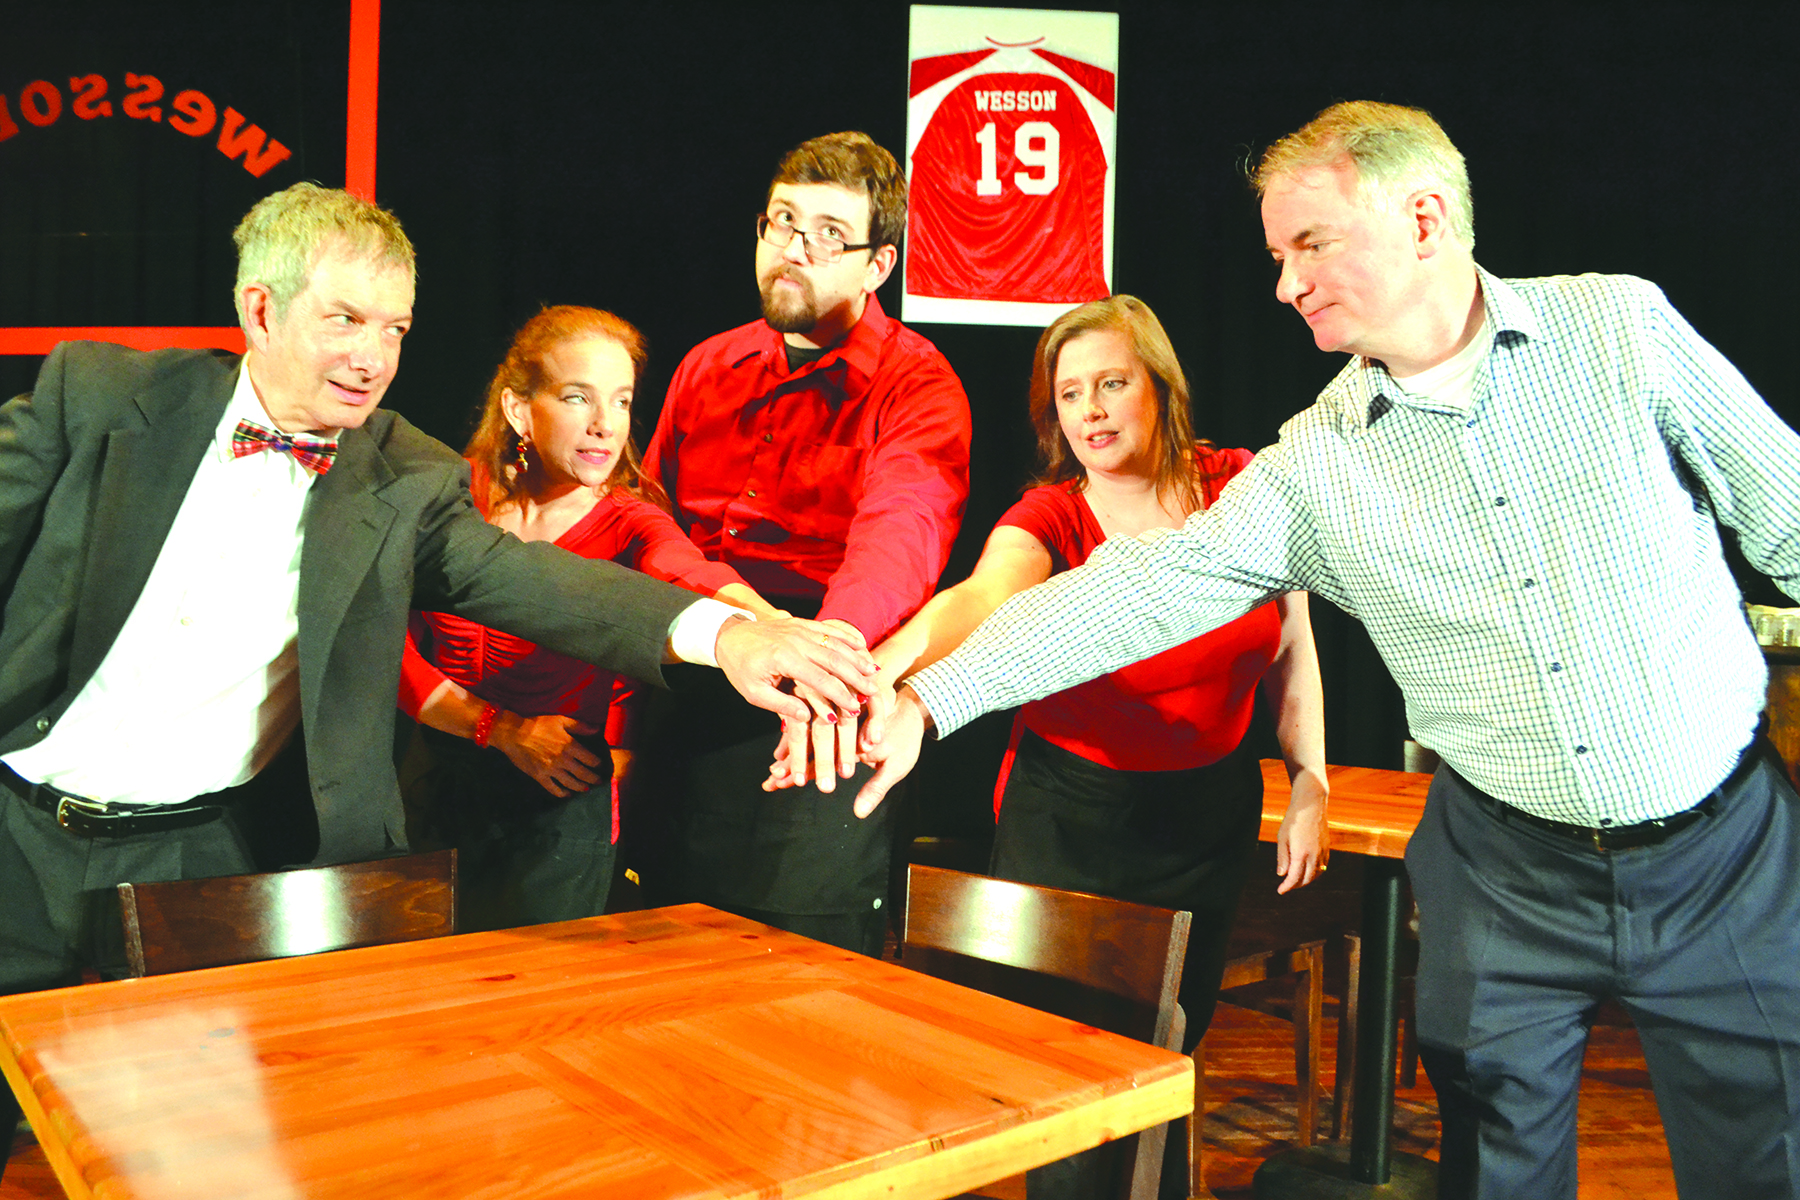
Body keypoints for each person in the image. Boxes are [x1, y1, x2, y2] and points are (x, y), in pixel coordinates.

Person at [851, 102, 1800, 1200]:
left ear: (1426, 218)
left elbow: (1788, 519)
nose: (1285, 284)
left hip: (1727, 854)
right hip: (1504, 877)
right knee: (1495, 1170)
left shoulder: (1621, 333)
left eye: (1310, 245)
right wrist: (929, 701)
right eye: (1274, 256)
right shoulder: (1313, 466)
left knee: (1766, 1159)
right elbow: (1137, 591)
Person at [0, 184, 874, 993]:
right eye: (346, 319)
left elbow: (539, 581)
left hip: (216, 859)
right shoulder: (100, 396)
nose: (373, 358)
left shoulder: (403, 474)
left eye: (396, 330)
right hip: (20, 832)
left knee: (189, 1139)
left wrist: (731, 634)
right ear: (259, 309)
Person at [639, 131, 971, 955]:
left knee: (805, 973)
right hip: (698, 673)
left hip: (833, 691)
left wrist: (826, 659)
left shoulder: (919, 382)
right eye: (783, 222)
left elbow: (903, 528)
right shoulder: (705, 368)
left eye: (828, 234)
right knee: (662, 962)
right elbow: (644, 524)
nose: (794, 248)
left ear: (877, 265)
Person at [400, 306, 787, 931]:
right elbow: (381, 643)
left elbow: (689, 571)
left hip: (550, 809)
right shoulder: (454, 493)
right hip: (429, 788)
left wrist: (769, 625)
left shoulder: (631, 520)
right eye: (579, 397)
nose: (606, 425)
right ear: (518, 410)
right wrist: (497, 728)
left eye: (623, 401)